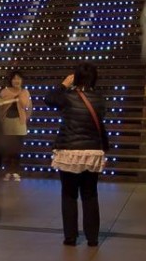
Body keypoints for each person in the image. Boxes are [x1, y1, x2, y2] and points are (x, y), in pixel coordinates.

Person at [45, 62, 109, 247]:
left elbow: (48, 99)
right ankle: (92, 238)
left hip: (69, 152)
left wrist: (63, 84)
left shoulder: (67, 97)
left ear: (76, 77)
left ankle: (70, 237)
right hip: (92, 151)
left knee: (69, 194)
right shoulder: (99, 99)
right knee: (90, 195)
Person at [0, 70, 32, 181]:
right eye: (14, 78)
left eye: (18, 78)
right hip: (7, 122)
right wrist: (13, 97)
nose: (16, 81)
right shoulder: (4, 92)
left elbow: (26, 105)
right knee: (8, 150)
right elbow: (0, 106)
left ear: (22, 80)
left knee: (17, 150)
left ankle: (16, 172)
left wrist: (19, 94)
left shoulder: (25, 92)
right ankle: (8, 172)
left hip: (19, 123)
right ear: (11, 80)